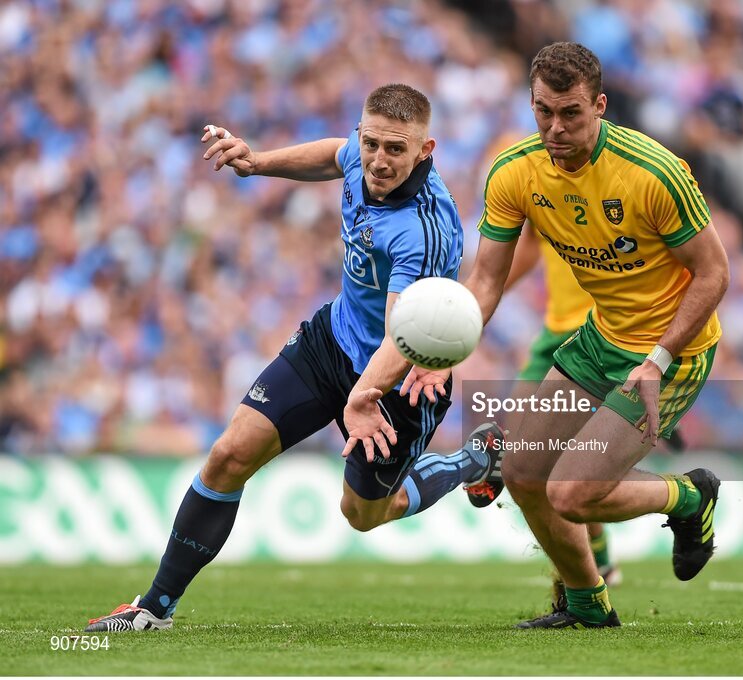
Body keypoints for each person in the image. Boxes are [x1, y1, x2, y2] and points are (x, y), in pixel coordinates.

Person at [84, 84, 503, 632]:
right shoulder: (361, 153)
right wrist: (256, 162)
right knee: (229, 453)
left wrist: (362, 395)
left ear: (427, 151)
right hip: (333, 340)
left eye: (395, 150)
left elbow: (402, 338)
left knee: (365, 514)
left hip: (402, 377)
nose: (378, 160)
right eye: (371, 142)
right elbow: (333, 155)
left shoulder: (422, 232)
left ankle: (473, 460)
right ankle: (154, 607)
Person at [404, 42, 730, 628]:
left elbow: (714, 273)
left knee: (572, 493)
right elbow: (485, 282)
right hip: (598, 340)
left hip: (673, 352)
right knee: (524, 473)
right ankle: (588, 606)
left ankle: (690, 495)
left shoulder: (653, 172)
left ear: (600, 105)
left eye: (571, 113)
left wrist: (656, 360)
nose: (555, 128)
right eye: (543, 112)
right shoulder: (514, 172)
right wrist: (439, 352)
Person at [501, 223, 623, 588]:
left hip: (599, 335)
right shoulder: (536, 181)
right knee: (517, 446)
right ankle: (598, 558)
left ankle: (593, 565)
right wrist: (477, 298)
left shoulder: (612, 181)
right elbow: (529, 249)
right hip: (554, 333)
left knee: (565, 460)